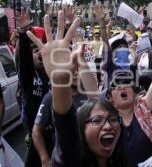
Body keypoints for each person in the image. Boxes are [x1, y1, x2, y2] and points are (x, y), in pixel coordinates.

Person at [27, 11, 126, 167]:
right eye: (96, 121)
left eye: (113, 119)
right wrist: (59, 80)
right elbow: (60, 126)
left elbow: (96, 101)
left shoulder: (117, 159)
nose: (107, 126)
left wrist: (79, 56)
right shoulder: (74, 157)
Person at [17, 8, 50, 167]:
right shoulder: (29, 75)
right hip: (35, 138)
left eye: (42, 49)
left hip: (55, 137)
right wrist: (23, 32)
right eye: (35, 51)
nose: (40, 53)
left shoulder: (53, 75)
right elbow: (23, 58)